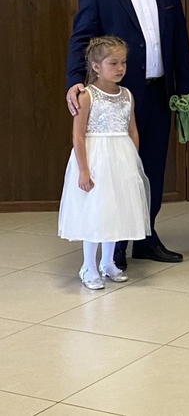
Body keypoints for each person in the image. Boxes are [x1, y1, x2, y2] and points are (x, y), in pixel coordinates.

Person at [66, 0, 189, 270]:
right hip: (115, 99)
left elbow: (179, 44)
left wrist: (185, 90)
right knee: (116, 173)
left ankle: (146, 237)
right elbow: (81, 40)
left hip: (158, 94)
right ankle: (116, 246)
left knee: (151, 168)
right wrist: (74, 81)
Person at [59, 36, 150, 289]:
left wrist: (132, 161)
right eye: (113, 63)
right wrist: (84, 170)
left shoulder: (127, 95)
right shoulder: (87, 96)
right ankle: (88, 265)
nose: (120, 68)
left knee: (114, 211)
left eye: (123, 62)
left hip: (120, 160)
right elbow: (78, 135)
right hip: (96, 159)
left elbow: (132, 130)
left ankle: (108, 262)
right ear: (96, 66)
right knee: (96, 211)